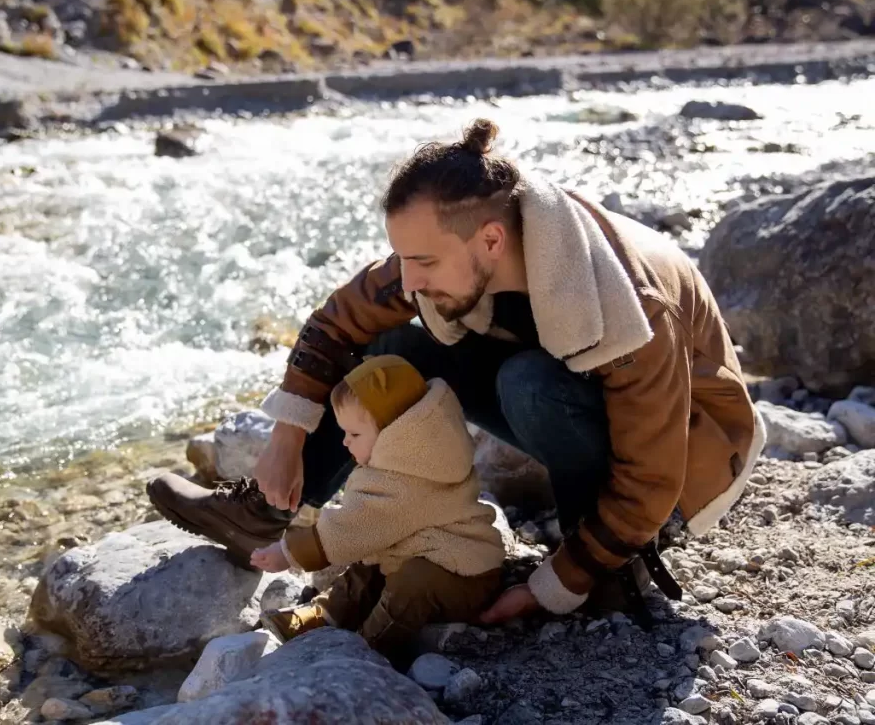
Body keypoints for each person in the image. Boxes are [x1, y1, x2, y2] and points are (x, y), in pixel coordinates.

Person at [147, 118, 766, 623]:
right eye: (401, 257)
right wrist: (285, 441)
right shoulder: (461, 246)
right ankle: (266, 512)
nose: (408, 278)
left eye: (422, 260)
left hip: (684, 447)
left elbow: (654, 476)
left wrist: (558, 582)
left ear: (491, 242)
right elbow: (335, 323)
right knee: (392, 341)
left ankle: (606, 559)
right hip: (570, 394)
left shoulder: (632, 304)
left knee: (530, 385)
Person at [249, 354, 503, 666]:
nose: (344, 443)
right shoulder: (419, 454)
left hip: (464, 579)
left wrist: (287, 553)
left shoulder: (409, 477)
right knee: (369, 564)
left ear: (395, 433)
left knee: (412, 582)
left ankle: (370, 649)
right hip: (428, 553)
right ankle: (326, 613)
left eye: (354, 434)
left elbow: (351, 527)